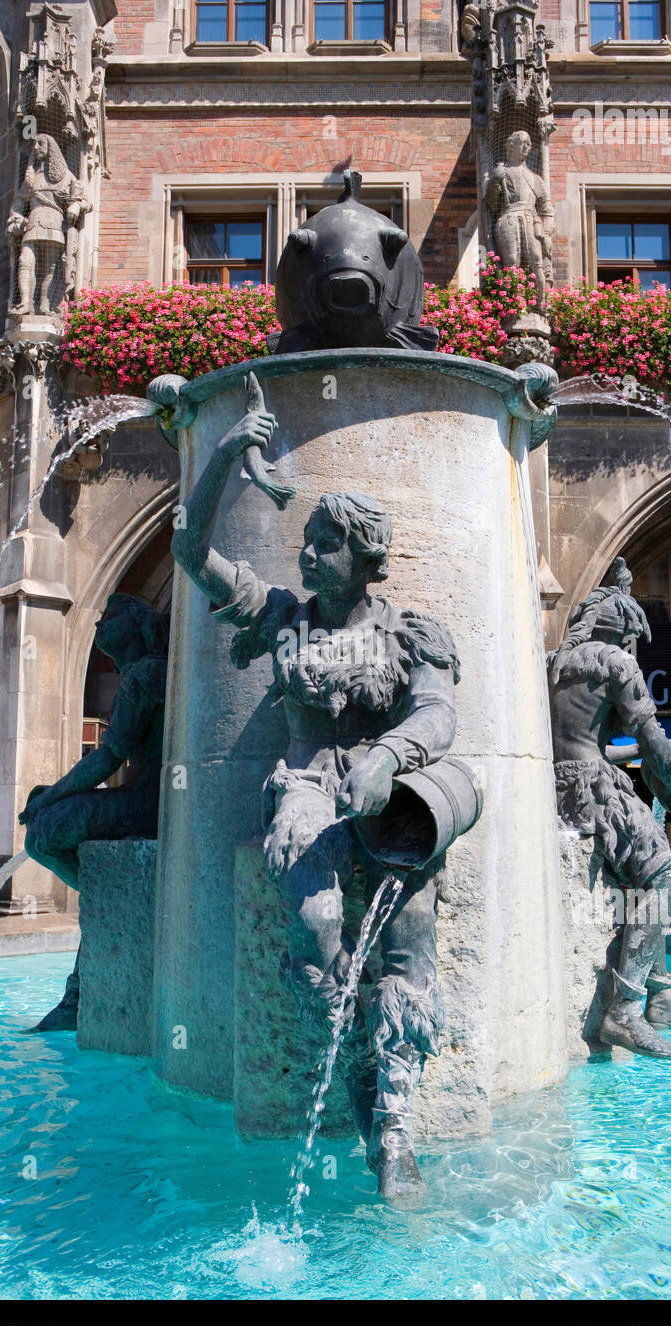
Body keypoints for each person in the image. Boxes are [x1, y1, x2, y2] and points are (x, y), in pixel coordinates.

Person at [162, 393, 461, 1203]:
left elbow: (438, 711)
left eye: (326, 543)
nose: (308, 554)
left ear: (367, 556)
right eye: (307, 540)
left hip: (390, 796)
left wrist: (390, 756)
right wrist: (225, 453)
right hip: (304, 790)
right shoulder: (282, 617)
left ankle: (394, 1130)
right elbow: (188, 549)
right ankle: (356, 1044)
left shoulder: (410, 634)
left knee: (411, 937)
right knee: (320, 920)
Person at [549, 558, 671, 1057]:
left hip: (558, 783)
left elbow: (578, 742)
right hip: (594, 793)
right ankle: (625, 1010)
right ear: (623, 631)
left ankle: (661, 997)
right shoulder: (616, 663)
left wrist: (632, 753)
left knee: (644, 874)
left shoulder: (554, 662)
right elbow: (654, 737)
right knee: (661, 877)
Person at [20, 593, 168, 1030]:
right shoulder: (143, 674)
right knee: (43, 810)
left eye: (110, 618)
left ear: (136, 625)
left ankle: (101, 895)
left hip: (146, 804)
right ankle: (101, 897)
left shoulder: (144, 676)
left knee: (44, 831)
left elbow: (107, 759)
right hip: (146, 799)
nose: (100, 625)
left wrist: (49, 799)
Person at [6, 133, 89, 317]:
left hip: (54, 223)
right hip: (33, 223)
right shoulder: (31, 178)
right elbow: (18, 204)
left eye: (41, 144)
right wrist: (16, 219)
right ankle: (26, 302)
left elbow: (85, 201)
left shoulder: (65, 177)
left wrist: (76, 205)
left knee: (50, 267)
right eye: (34, 144)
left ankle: (45, 305)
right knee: (25, 261)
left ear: (51, 148)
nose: (36, 148)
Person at [484, 130, 555, 311]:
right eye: (521, 142)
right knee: (511, 260)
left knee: (536, 260)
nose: (525, 147)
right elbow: (492, 205)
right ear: (511, 145)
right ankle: (516, 305)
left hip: (531, 220)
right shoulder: (501, 172)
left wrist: (546, 233)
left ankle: (542, 306)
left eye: (528, 144)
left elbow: (547, 210)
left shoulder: (535, 178)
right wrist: (495, 181)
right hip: (508, 217)